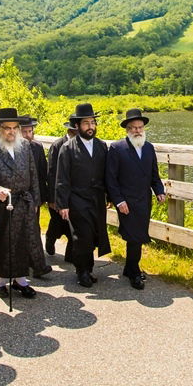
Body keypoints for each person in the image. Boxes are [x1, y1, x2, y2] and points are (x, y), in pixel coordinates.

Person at [0, 108, 43, 299]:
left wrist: (35, 199)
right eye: (6, 128)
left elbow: (33, 174)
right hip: (2, 205)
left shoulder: (25, 146)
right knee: (2, 243)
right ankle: (0, 281)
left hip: (24, 201)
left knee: (23, 242)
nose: (11, 132)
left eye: (14, 128)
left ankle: (20, 280)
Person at [105, 109, 165, 290]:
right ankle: (134, 272)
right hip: (126, 202)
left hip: (144, 200)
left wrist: (159, 190)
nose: (138, 131)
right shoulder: (117, 148)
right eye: (133, 128)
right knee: (134, 237)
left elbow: (155, 174)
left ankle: (129, 268)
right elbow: (111, 178)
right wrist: (119, 201)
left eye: (140, 127)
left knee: (138, 235)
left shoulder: (149, 147)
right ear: (127, 130)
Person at [54, 103, 111, 288]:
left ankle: (90, 267)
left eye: (93, 122)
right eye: (86, 123)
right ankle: (82, 271)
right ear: (77, 126)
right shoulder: (68, 148)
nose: (90, 126)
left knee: (95, 234)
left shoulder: (102, 146)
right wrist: (62, 204)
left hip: (97, 199)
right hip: (77, 199)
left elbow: (107, 174)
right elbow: (62, 178)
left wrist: (109, 196)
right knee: (82, 236)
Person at [19, 115, 52, 278]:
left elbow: (42, 174)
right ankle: (23, 263)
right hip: (18, 196)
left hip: (34, 196)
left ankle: (37, 264)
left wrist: (41, 199)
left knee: (35, 229)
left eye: (30, 131)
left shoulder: (37, 147)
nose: (27, 135)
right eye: (24, 132)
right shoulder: (15, 149)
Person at [44, 120, 77, 259]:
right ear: (71, 131)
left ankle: (70, 254)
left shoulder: (79, 146)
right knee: (57, 223)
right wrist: (52, 198)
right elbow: (51, 172)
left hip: (74, 194)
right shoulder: (58, 145)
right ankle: (50, 239)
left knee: (73, 226)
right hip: (58, 193)